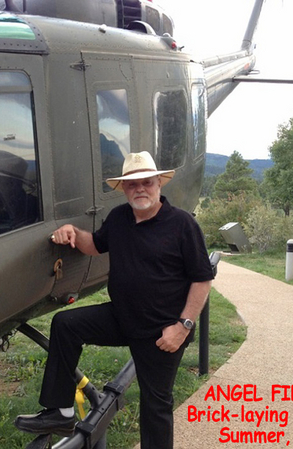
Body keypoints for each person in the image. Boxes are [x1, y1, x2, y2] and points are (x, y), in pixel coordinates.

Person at [15, 151, 214, 448]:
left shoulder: (182, 224)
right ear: (124, 189)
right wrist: (72, 232)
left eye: (147, 182)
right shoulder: (120, 218)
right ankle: (61, 411)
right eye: (132, 185)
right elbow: (95, 244)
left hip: (162, 331)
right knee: (66, 324)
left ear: (159, 183)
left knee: (155, 405)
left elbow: (202, 278)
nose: (140, 189)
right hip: (123, 318)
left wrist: (183, 326)